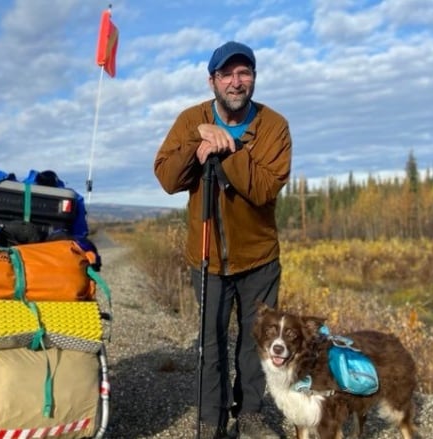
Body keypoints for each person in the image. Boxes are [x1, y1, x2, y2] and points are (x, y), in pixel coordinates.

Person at [153, 41, 291, 439]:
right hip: (206, 256)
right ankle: (209, 420)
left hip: (259, 258)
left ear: (253, 78)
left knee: (257, 344)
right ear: (212, 80)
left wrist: (227, 150)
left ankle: (250, 416)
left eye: (244, 73)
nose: (236, 82)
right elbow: (166, 178)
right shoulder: (190, 120)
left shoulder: (274, 126)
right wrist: (198, 147)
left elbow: (265, 188)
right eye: (227, 74)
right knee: (209, 344)